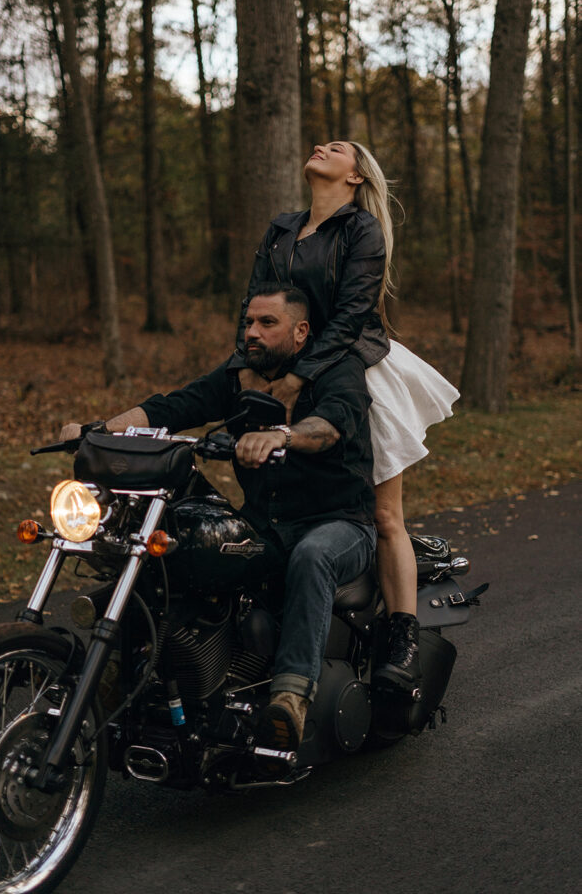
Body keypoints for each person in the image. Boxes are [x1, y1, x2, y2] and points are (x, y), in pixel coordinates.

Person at [61, 284, 377, 752]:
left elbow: (329, 425)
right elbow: (174, 406)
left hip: (339, 522)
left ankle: (290, 699)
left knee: (311, 556)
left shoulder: (337, 369)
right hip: (265, 524)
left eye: (267, 323)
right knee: (179, 546)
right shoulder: (239, 376)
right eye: (249, 322)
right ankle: (121, 679)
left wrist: (281, 436)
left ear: (300, 331)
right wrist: (99, 429)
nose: (252, 332)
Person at [232, 140, 459, 697]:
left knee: (383, 514)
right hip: (287, 368)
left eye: (336, 148)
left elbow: (355, 311)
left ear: (356, 175)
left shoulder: (362, 230)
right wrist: (251, 365)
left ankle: (402, 635)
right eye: (319, 143)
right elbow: (257, 301)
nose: (319, 146)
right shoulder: (281, 227)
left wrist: (302, 376)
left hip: (354, 369)